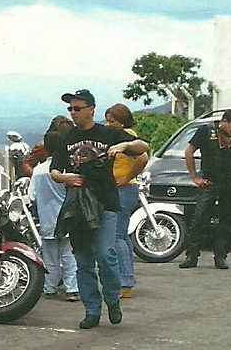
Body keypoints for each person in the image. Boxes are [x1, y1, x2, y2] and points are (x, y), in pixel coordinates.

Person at [50, 89, 149, 330]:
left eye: (78, 108)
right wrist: (65, 178)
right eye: (70, 109)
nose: (73, 113)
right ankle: (92, 310)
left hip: (105, 202)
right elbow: (55, 170)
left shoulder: (108, 133)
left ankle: (112, 299)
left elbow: (143, 148)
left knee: (105, 255)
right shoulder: (66, 138)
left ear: (91, 109)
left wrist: (125, 144)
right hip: (78, 205)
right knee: (83, 261)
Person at [178, 110, 231, 270]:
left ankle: (221, 256)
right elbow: (189, 152)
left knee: (227, 220)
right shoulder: (205, 131)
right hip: (209, 181)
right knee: (199, 218)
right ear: (224, 122)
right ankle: (192, 255)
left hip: (228, 181)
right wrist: (194, 177)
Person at [28, 116, 79, 302]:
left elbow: (32, 196)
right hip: (68, 220)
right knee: (69, 256)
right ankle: (72, 289)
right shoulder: (67, 170)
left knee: (49, 257)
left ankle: (49, 288)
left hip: (47, 221)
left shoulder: (38, 170)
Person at [104, 104, 148, 299]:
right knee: (122, 235)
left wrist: (126, 178)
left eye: (112, 121)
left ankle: (125, 281)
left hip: (123, 189)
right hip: (125, 189)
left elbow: (143, 158)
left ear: (122, 122)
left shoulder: (126, 138)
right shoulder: (125, 136)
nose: (108, 125)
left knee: (116, 236)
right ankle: (127, 278)